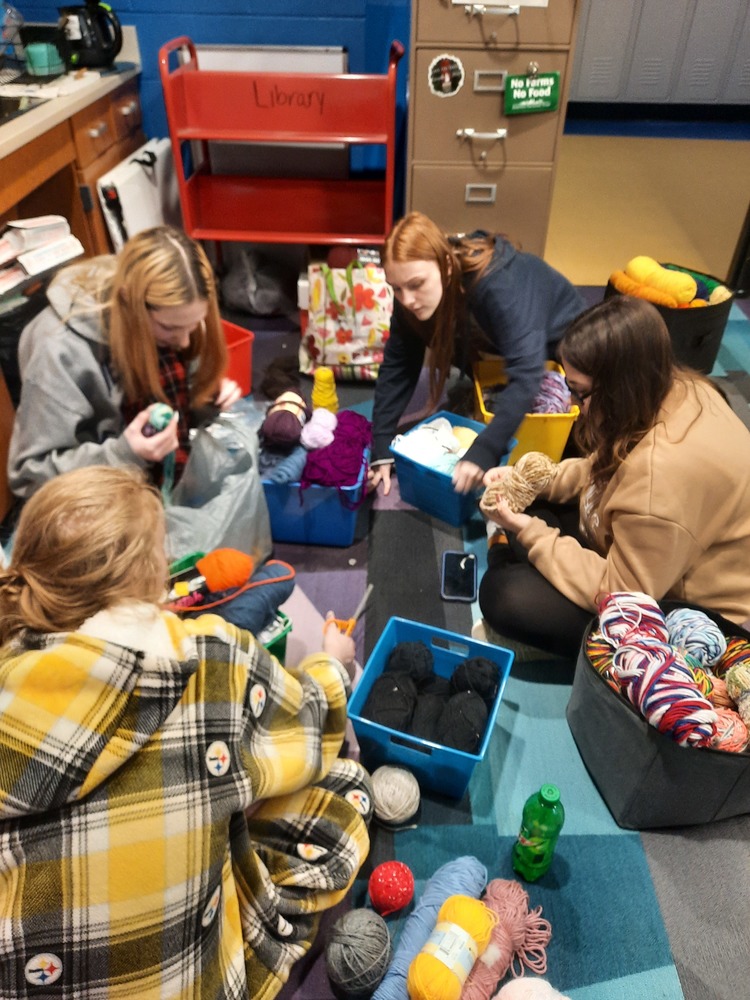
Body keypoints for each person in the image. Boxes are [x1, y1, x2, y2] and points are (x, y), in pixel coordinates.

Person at [0, 465, 371, 999]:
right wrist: (331, 664)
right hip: (191, 987)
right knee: (342, 786)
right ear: (158, 575)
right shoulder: (207, 659)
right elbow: (312, 729)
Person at [477, 295, 750, 658]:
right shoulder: (676, 386)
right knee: (533, 508)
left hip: (684, 607)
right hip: (654, 548)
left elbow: (624, 592)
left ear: (618, 385)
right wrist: (536, 480)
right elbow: (604, 467)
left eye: (580, 392)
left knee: (503, 595)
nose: (573, 404)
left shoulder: (662, 474)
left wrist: (525, 530)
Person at [8, 225, 242, 499]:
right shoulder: (57, 349)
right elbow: (29, 475)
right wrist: (125, 454)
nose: (184, 344)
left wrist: (204, 400)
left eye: (192, 327)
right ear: (129, 304)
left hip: (148, 481)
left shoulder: (170, 318)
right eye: (170, 329)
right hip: (95, 501)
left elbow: (178, 397)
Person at [369, 211, 585, 495]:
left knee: (569, 447)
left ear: (446, 265)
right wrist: (382, 441)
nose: (406, 299)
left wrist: (484, 451)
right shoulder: (410, 293)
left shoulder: (497, 285)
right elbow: (399, 361)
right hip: (503, 345)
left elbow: (526, 373)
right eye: (395, 288)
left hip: (567, 344)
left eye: (416, 285)